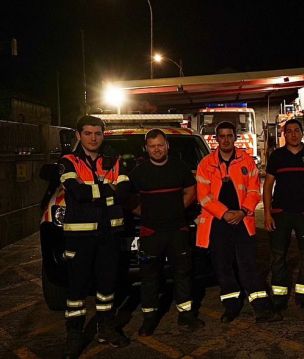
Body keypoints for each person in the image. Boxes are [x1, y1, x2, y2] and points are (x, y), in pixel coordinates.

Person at [195, 121, 282, 323]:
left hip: (243, 222)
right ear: (216, 139)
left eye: (229, 135)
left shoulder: (247, 162)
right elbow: (204, 197)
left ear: (235, 137)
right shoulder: (205, 164)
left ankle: (262, 308)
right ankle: (231, 306)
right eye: (222, 136)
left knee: (248, 265)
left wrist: (242, 211)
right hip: (218, 223)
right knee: (223, 267)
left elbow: (254, 191)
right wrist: (225, 213)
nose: (226, 139)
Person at [58, 115, 130, 358]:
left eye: (97, 133)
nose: (93, 138)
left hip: (109, 234)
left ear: (103, 134)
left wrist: (95, 194)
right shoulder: (68, 161)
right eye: (87, 133)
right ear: (78, 135)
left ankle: (106, 328)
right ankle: (74, 335)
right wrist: (107, 190)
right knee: (76, 290)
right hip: (80, 238)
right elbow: (76, 192)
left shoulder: (114, 160)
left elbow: (124, 192)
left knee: (107, 287)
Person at [128, 129, 205, 336]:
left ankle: (186, 316)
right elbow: (130, 199)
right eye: (152, 146)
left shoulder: (179, 167)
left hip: (177, 230)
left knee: (182, 274)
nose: (157, 149)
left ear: (167, 146)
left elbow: (191, 191)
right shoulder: (138, 172)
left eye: (160, 145)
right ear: (146, 148)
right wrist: (147, 214)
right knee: (149, 276)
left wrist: (177, 209)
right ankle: (149, 319)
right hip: (150, 231)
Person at [264, 119, 304, 315]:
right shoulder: (277, 156)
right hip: (280, 214)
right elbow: (267, 186)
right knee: (278, 256)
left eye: (296, 130)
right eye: (289, 131)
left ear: (301, 133)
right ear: (284, 134)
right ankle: (279, 299)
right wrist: (266, 213)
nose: (293, 134)